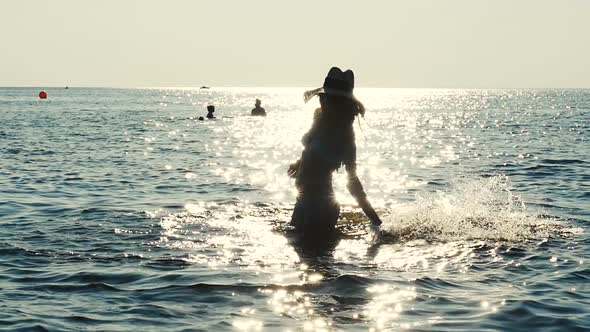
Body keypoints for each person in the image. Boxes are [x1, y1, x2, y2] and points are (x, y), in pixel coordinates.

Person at [288, 67, 382, 240]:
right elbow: (313, 149)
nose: (321, 102)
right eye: (321, 97)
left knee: (315, 260)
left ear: (339, 104)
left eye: (326, 99)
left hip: (320, 207)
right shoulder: (319, 118)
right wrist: (300, 162)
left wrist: (376, 221)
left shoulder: (345, 136)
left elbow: (352, 183)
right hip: (303, 202)